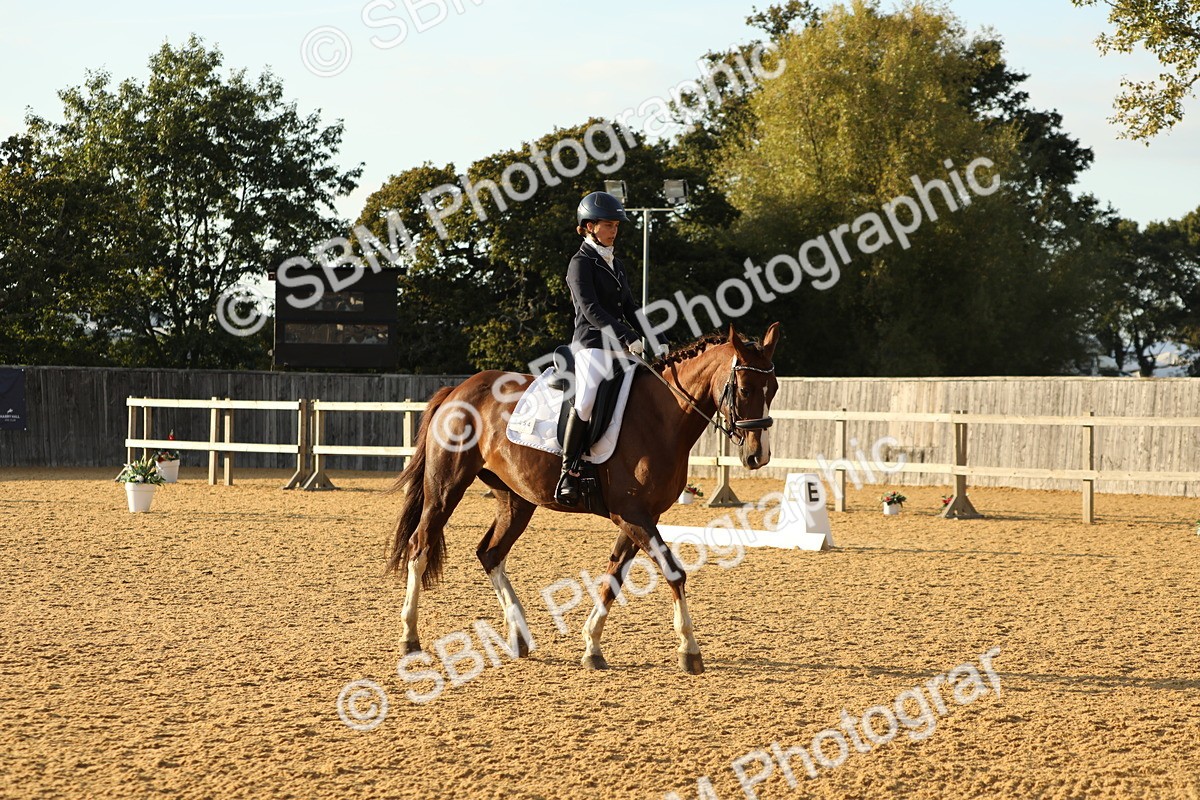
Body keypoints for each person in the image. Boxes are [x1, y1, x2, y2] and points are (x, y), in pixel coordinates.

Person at [556, 191, 655, 506]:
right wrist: (626, 335)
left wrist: (657, 335)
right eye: (608, 225)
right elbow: (591, 310)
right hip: (591, 344)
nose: (614, 231)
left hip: (619, 346)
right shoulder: (579, 264)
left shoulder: (617, 264)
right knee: (584, 402)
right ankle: (568, 470)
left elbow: (630, 306)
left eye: (616, 225)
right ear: (588, 227)